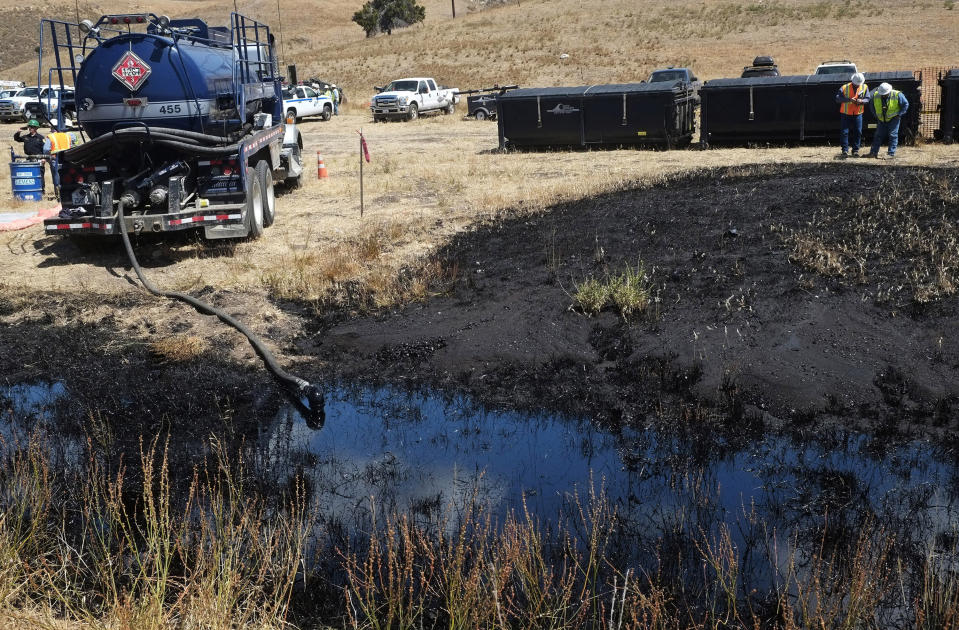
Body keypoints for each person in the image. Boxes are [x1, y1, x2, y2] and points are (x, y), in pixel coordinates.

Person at [866, 82, 909, 159]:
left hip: (894, 119)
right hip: (881, 119)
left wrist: (899, 114)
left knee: (893, 135)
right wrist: (876, 115)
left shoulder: (897, 94)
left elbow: (905, 104)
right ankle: (873, 153)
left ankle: (890, 154)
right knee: (878, 136)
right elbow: (872, 106)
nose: (883, 95)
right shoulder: (876, 95)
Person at [835, 72, 869, 158]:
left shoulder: (864, 87)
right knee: (844, 132)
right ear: (852, 81)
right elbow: (838, 99)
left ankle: (855, 150)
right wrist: (849, 100)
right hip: (846, 113)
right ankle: (845, 151)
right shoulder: (844, 87)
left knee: (858, 132)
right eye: (856, 84)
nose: (857, 85)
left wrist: (861, 101)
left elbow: (867, 99)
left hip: (858, 114)